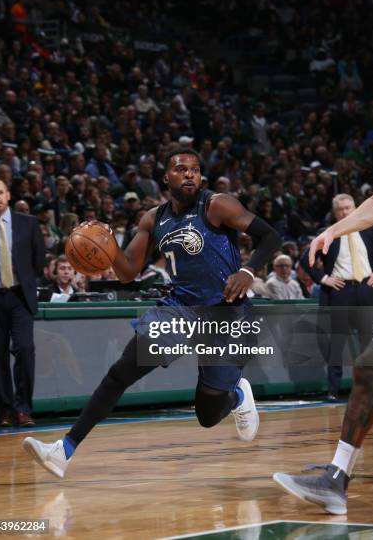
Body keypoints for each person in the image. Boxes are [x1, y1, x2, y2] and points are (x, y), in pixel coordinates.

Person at [23, 149, 281, 477]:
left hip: (228, 314)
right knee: (121, 372)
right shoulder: (153, 219)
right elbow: (128, 271)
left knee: (207, 413)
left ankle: (237, 394)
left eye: (195, 170)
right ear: (165, 177)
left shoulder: (217, 205)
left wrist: (248, 271)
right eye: (180, 169)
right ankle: (64, 450)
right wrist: (108, 245)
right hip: (180, 311)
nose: (189, 174)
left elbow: (271, 236)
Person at [273, 174, 373, 515]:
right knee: (369, 368)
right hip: (345, 296)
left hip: (367, 295)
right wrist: (333, 231)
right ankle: (336, 479)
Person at [300, 193, 373, 399]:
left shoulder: (367, 231)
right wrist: (323, 279)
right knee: (337, 343)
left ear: (356, 207)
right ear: (334, 212)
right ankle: (333, 390)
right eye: (341, 209)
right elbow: (306, 260)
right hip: (341, 291)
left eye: (349, 208)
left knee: (371, 343)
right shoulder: (329, 233)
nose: (345, 212)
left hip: (367, 289)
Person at [0, 178, 45, 426]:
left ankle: (24, 408)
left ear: (8, 195)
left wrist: (29, 280)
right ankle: (6, 411)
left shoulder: (28, 223)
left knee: (25, 350)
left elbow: (39, 260)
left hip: (19, 297)